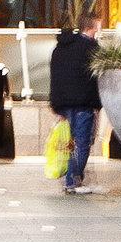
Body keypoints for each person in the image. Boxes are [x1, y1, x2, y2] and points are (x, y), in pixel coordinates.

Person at [48, 12, 102, 193]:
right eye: (98, 26)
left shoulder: (61, 48)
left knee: (69, 142)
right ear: (92, 27)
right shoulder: (91, 49)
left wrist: (56, 103)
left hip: (63, 103)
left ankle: (71, 178)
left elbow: (55, 76)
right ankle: (73, 180)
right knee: (82, 142)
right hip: (83, 103)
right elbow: (97, 78)